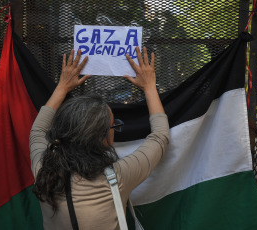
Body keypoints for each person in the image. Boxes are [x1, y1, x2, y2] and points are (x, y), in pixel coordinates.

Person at [30, 47, 170, 230]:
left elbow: (38, 131)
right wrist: (149, 86)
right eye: (112, 126)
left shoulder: (43, 169)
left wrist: (62, 87)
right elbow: (160, 137)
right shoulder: (118, 177)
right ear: (102, 138)